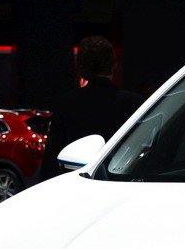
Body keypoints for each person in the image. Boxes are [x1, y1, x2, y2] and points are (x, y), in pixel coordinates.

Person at [40, 36, 144, 179]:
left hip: (77, 185)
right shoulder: (135, 103)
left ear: (80, 67)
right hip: (124, 185)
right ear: (113, 65)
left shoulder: (65, 104)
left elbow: (51, 162)